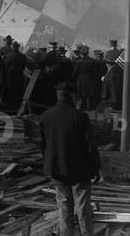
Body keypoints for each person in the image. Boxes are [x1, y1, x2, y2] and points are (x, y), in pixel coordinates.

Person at [39, 82, 101, 236]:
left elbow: (43, 145)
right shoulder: (80, 117)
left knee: (64, 207)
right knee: (83, 208)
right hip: (80, 169)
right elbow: (90, 146)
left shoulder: (46, 116)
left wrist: (49, 163)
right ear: (72, 96)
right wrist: (96, 168)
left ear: (57, 95)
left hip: (56, 168)